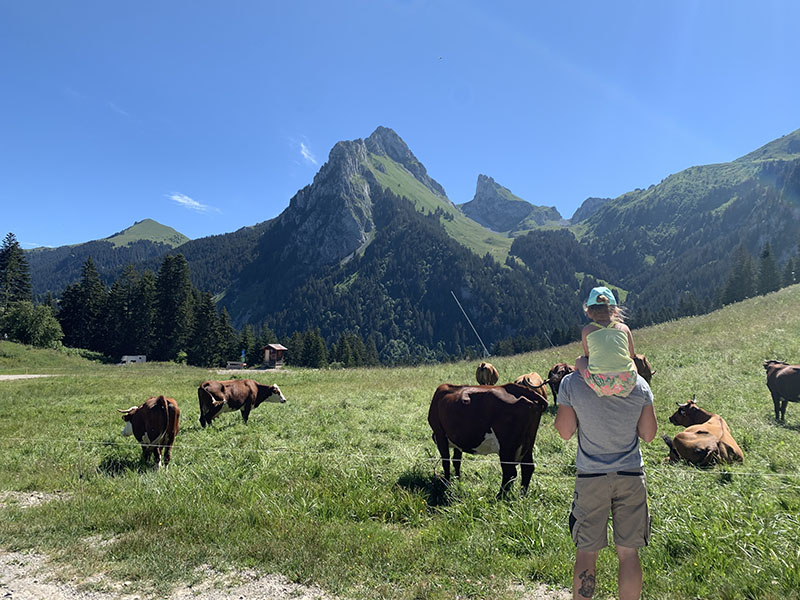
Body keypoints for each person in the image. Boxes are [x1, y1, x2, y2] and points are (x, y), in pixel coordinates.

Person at [554, 364, 657, 600]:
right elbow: (649, 434)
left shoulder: (572, 383)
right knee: (629, 553)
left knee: (587, 553)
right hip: (630, 475)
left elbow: (565, 431)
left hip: (591, 477)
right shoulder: (638, 383)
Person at [575, 286, 637, 397]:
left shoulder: (587, 330)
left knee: (580, 360)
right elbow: (631, 355)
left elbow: (588, 356)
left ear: (589, 312)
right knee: (631, 362)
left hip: (600, 384)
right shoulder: (624, 328)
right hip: (627, 383)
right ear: (614, 310)